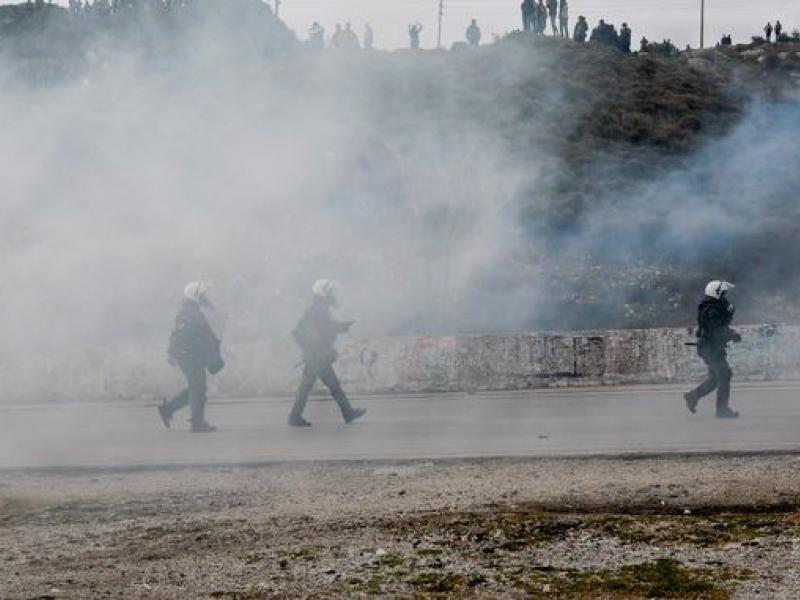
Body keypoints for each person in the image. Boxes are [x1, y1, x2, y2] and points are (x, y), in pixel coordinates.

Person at [288, 280, 367, 427]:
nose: (333, 295)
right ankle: (347, 413)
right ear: (323, 293)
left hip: (315, 356)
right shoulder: (319, 309)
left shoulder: (318, 308)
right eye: (330, 292)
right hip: (317, 357)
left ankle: (295, 416)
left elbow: (326, 327)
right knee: (331, 386)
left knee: (309, 388)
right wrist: (343, 327)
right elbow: (325, 329)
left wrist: (342, 326)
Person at [158, 281, 224, 433]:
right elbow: (180, 334)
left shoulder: (193, 310)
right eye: (203, 295)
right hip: (188, 356)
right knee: (198, 387)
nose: (205, 297)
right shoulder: (187, 312)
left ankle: (168, 409)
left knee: (197, 387)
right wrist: (174, 353)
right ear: (196, 295)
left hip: (193, 355)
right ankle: (197, 423)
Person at [684, 281, 742, 419]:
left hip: (712, 348)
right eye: (723, 294)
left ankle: (692, 396)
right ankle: (722, 410)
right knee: (724, 375)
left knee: (715, 379)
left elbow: (720, 326)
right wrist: (731, 335)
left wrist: (730, 331)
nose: (725, 296)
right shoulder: (711, 310)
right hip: (710, 348)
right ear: (717, 294)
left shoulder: (713, 307)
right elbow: (716, 330)